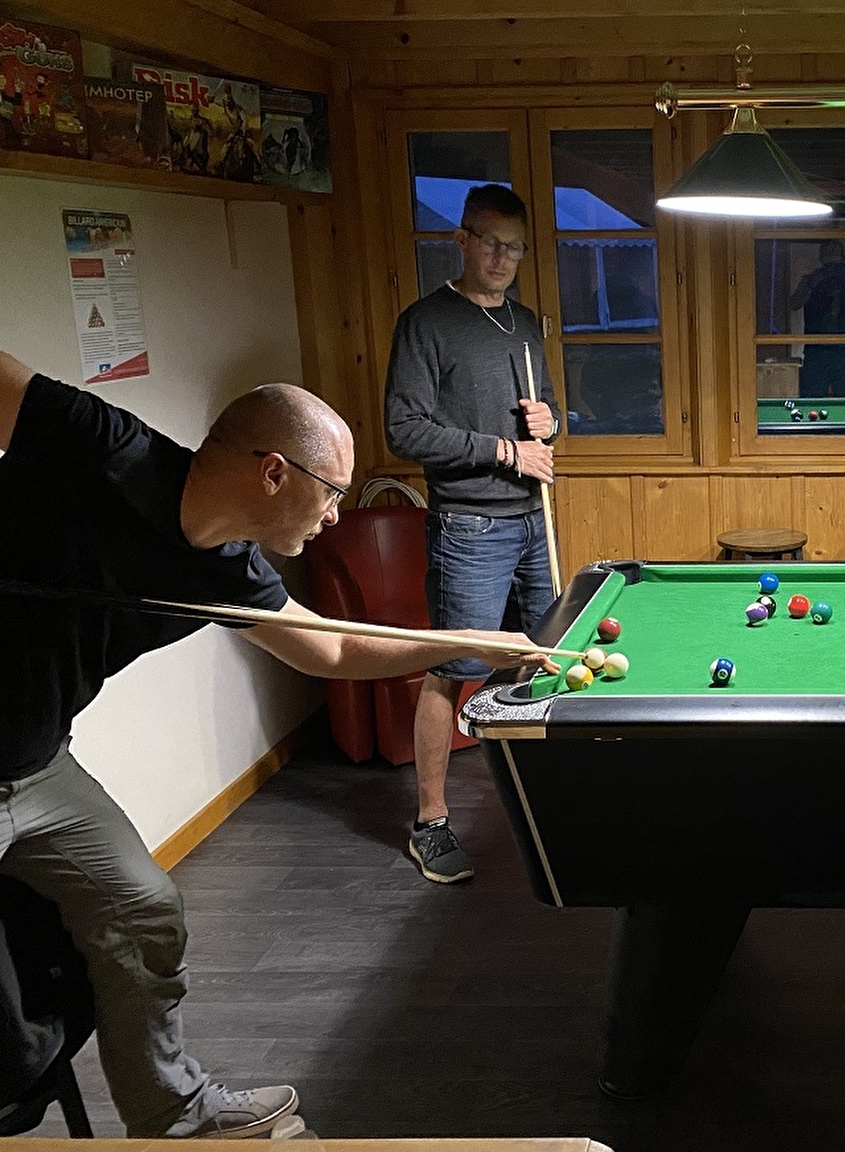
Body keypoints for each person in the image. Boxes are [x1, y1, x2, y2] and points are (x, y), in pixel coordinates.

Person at [0, 349, 548, 1138]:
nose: (334, 517)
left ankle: (175, 1116)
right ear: (273, 473)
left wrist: (465, 643)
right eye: (331, 493)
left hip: (37, 763)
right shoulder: (104, 445)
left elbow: (331, 648)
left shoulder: (230, 572)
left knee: (142, 911)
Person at [384, 183, 561, 885]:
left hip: (533, 519)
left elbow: (545, 421)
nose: (503, 258)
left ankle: (542, 800)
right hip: (469, 525)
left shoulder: (524, 323)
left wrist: (549, 425)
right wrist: (504, 450)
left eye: (515, 247)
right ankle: (429, 823)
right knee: (454, 669)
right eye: (491, 243)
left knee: (542, 660)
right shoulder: (425, 323)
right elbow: (405, 429)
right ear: (461, 240)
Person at [789, 240, 845, 398]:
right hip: (816, 349)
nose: (832, 269)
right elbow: (794, 304)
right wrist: (813, 282)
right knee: (812, 397)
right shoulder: (812, 280)